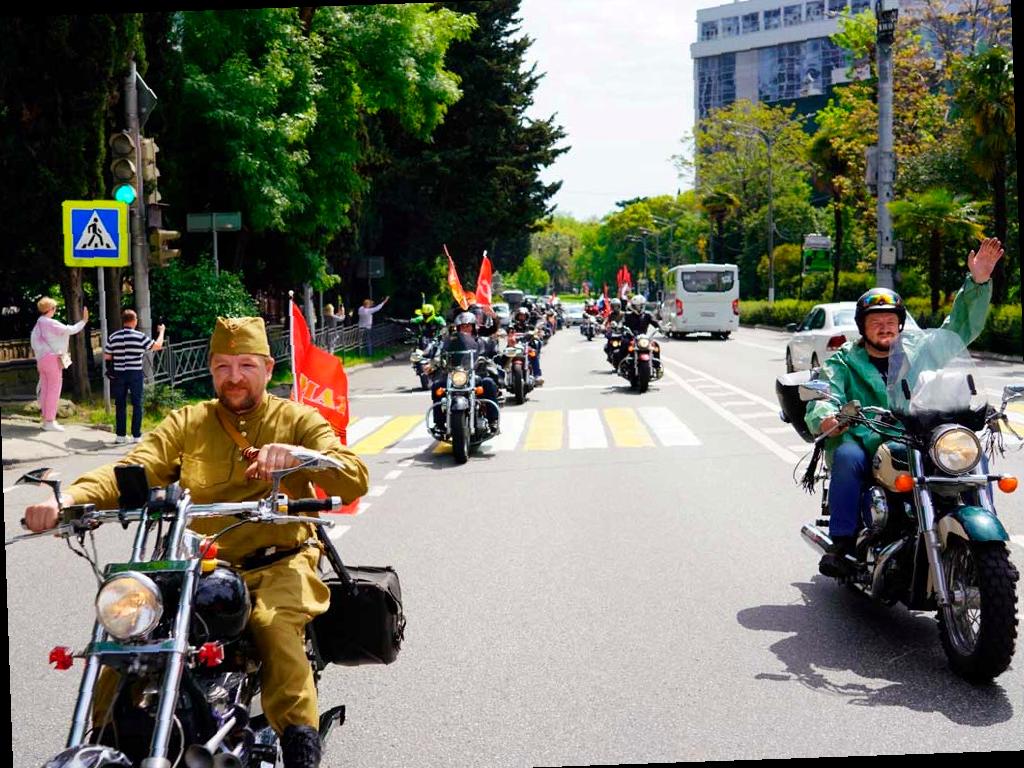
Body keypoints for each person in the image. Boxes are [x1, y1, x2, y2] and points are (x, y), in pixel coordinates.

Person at [24, 316, 370, 768]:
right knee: (129, 634)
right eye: (223, 366)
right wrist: (68, 499)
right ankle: (104, 738)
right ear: (210, 369)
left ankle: (300, 744)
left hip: (278, 561)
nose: (234, 377)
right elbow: (133, 467)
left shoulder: (296, 418)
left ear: (267, 367)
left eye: (246, 365)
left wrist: (300, 456)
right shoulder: (189, 421)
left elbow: (354, 474)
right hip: (196, 567)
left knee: (273, 627)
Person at [805, 238, 1004, 578]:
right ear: (863, 328)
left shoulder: (919, 348)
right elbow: (823, 397)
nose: (884, 327)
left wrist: (978, 282)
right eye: (875, 322)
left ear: (900, 323)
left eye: (890, 320)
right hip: (866, 435)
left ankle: (983, 534)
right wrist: (830, 417)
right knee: (849, 458)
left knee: (968, 453)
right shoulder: (844, 361)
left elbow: (957, 330)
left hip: (917, 432)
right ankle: (842, 542)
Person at [430, 311, 501, 430]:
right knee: (437, 386)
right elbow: (440, 353)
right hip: (456, 376)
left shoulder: (482, 341)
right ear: (457, 328)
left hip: (477, 375)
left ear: (473, 327)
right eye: (462, 326)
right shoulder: (451, 342)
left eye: (468, 326)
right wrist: (433, 363)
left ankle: (493, 420)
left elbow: (493, 353)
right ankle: (439, 423)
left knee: (489, 384)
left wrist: (492, 359)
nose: (465, 329)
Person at [104, 309, 165, 444]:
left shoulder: (114, 337)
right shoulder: (140, 336)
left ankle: (120, 435)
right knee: (137, 403)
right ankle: (136, 435)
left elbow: (107, 356)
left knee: (120, 404)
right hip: (135, 373)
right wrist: (161, 332)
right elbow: (157, 346)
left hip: (119, 373)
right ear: (134, 320)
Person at [30, 297, 89, 432]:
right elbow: (70, 329)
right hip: (52, 359)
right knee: (54, 390)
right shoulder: (50, 323)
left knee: (45, 389)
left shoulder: (38, 324)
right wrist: (83, 321)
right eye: (54, 308)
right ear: (51, 309)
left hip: (42, 360)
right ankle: (50, 421)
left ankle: (46, 419)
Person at [510, 306, 543, 384]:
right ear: (517, 316)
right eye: (520, 315)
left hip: (526, 346)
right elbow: (506, 333)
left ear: (526, 317)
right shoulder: (512, 327)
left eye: (524, 316)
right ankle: (501, 375)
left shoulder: (530, 327)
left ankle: (537, 375)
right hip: (514, 346)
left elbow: (537, 332)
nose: (522, 317)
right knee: (505, 354)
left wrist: (537, 334)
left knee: (533, 354)